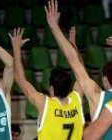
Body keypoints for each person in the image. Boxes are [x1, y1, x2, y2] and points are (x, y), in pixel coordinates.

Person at [44, 0, 112, 139]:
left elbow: (75, 63)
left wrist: (54, 27)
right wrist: (73, 46)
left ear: (105, 80)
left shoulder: (98, 95)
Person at [9, 27, 85, 139]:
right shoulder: (76, 100)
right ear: (69, 87)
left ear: (51, 89)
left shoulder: (44, 104)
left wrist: (16, 49)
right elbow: (81, 71)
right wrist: (73, 45)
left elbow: (20, 79)